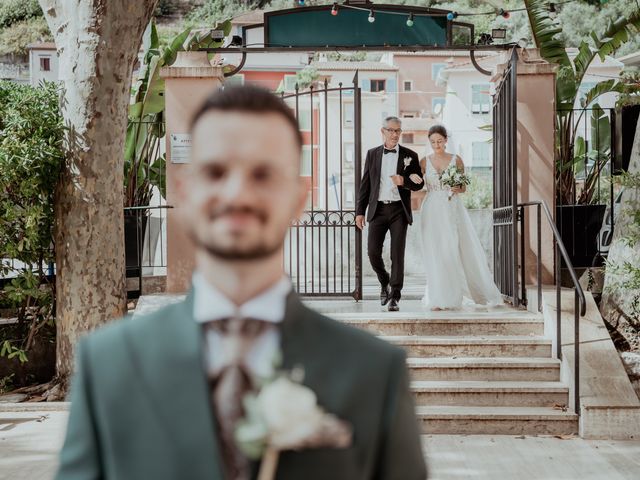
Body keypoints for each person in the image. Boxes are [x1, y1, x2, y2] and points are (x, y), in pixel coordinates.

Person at [55, 85, 427, 480]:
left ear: (298, 198)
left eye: (262, 173)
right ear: (186, 190)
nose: (238, 193)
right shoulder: (108, 365)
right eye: (216, 171)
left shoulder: (375, 373)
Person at [419, 124, 503, 311]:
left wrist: (457, 187)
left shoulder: (456, 160)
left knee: (450, 250)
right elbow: (417, 185)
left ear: (446, 140)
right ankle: (437, 295)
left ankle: (453, 295)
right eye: (433, 142)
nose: (436, 144)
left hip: (451, 208)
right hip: (431, 209)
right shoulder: (424, 162)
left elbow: (464, 187)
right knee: (435, 252)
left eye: (439, 141)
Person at [356, 117, 424, 312]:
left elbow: (419, 183)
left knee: (397, 254)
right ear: (383, 131)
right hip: (377, 210)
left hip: (398, 210)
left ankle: (394, 295)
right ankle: (384, 280)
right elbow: (365, 185)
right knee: (372, 252)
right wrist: (360, 212)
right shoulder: (372, 154)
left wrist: (404, 181)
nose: (395, 134)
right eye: (391, 130)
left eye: (398, 131)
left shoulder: (410, 155)